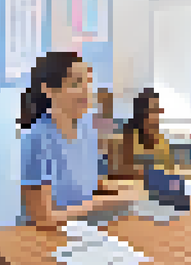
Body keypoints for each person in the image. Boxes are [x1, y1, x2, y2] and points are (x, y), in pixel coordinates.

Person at [19, 52, 143, 228]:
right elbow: (43, 218)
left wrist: (119, 189)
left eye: (88, 82)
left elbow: (86, 183)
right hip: (49, 236)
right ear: (49, 89)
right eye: (76, 83)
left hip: (85, 228)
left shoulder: (87, 127)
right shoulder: (37, 138)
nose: (87, 90)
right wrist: (107, 202)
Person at [117, 89, 176, 175]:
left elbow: (170, 171)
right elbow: (124, 171)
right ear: (142, 114)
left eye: (158, 110)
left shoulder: (161, 140)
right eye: (154, 110)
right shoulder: (127, 138)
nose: (158, 114)